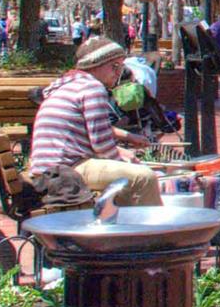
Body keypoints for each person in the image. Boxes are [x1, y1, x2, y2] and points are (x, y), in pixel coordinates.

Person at [28, 36, 163, 207]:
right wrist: (122, 159)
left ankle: (126, 230)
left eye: (121, 66)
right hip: (64, 170)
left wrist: (120, 150)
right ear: (94, 66)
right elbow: (100, 144)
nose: (119, 72)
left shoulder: (70, 84)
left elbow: (93, 135)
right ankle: (153, 231)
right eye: (114, 66)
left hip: (49, 168)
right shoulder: (92, 88)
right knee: (144, 177)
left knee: (127, 182)